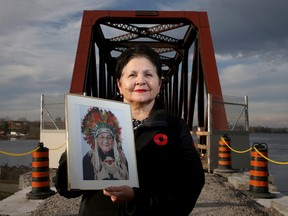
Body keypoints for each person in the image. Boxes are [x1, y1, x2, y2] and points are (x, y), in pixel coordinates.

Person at [55, 44, 205, 216]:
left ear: (159, 83)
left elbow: (191, 184)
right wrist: (75, 146)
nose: (140, 81)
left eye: (148, 74)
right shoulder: (94, 124)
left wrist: (137, 198)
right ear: (119, 84)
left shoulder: (175, 127)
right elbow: (65, 189)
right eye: (132, 75)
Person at [81, 107, 129, 180]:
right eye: (102, 137)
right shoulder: (89, 159)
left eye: (109, 137)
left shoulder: (122, 158)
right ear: (96, 140)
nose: (106, 141)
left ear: (114, 140)